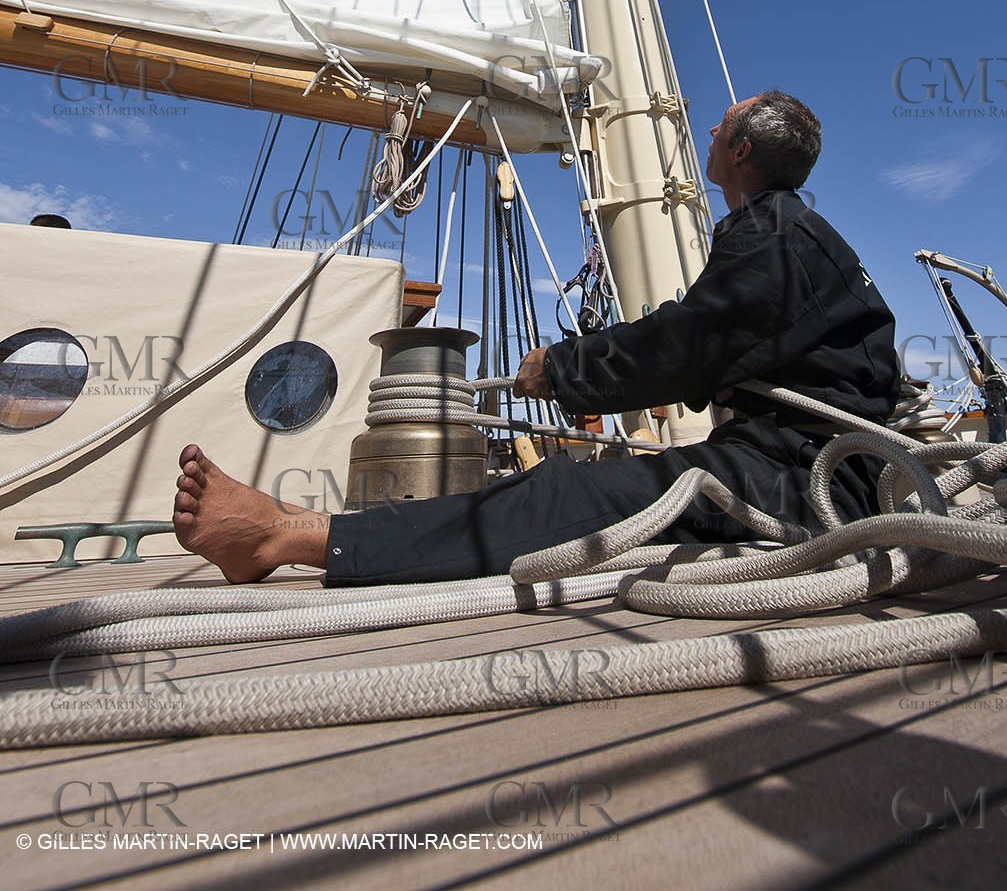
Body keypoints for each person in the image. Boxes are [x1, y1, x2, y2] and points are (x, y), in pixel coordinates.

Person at [173, 91, 900, 585]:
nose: (707, 132)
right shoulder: (786, 235)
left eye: (721, 126)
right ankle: (298, 531)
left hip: (811, 483)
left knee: (564, 494)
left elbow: (684, 348)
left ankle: (285, 538)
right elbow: (706, 343)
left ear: (740, 151)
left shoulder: (773, 238)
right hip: (799, 464)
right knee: (582, 486)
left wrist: (561, 366)